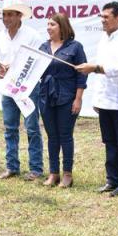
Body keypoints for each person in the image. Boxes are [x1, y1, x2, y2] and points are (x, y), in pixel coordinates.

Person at [75, 1, 118, 197]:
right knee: (109, 141)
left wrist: (94, 68)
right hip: (106, 99)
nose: (102, 21)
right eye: (101, 17)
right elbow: (101, 67)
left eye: (106, 17)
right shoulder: (104, 38)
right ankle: (111, 179)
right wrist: (98, 99)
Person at [0, 1, 44, 180]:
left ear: (19, 16)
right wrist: (1, 69)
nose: (6, 19)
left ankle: (36, 169)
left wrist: (15, 68)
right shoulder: (1, 36)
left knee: (31, 127)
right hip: (8, 87)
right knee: (9, 128)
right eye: (4, 15)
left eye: (9, 15)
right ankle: (12, 166)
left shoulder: (32, 36)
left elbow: (38, 61)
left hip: (27, 88)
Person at [38, 13, 87, 188]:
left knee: (65, 136)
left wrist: (78, 99)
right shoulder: (43, 47)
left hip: (67, 97)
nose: (48, 27)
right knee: (52, 136)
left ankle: (67, 174)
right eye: (48, 24)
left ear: (62, 27)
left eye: (52, 24)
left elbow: (82, 75)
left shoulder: (75, 47)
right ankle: (53, 173)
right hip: (46, 97)